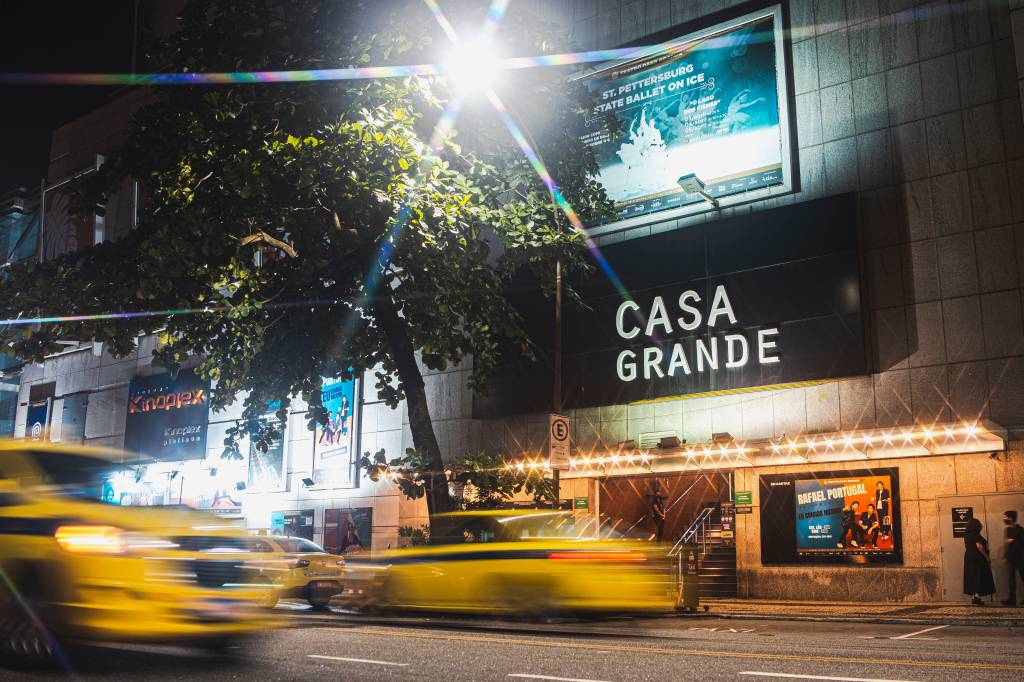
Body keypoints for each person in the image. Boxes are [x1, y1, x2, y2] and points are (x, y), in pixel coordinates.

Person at [963, 517, 996, 605]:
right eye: (979, 524)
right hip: (977, 557)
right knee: (979, 576)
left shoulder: (966, 534)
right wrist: (986, 557)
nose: (981, 525)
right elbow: (979, 546)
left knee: (972, 576)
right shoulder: (976, 534)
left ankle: (974, 597)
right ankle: (977, 596)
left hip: (969, 557)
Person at [1000, 510, 1024, 606]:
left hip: (1020, 557)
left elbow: (1017, 542)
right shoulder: (1008, 529)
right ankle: (1012, 599)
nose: (1004, 519)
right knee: (1011, 579)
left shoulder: (1020, 529)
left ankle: (1013, 599)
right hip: (1010, 558)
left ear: (1010, 518)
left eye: (1005, 517)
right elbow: (1007, 542)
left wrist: (1011, 540)